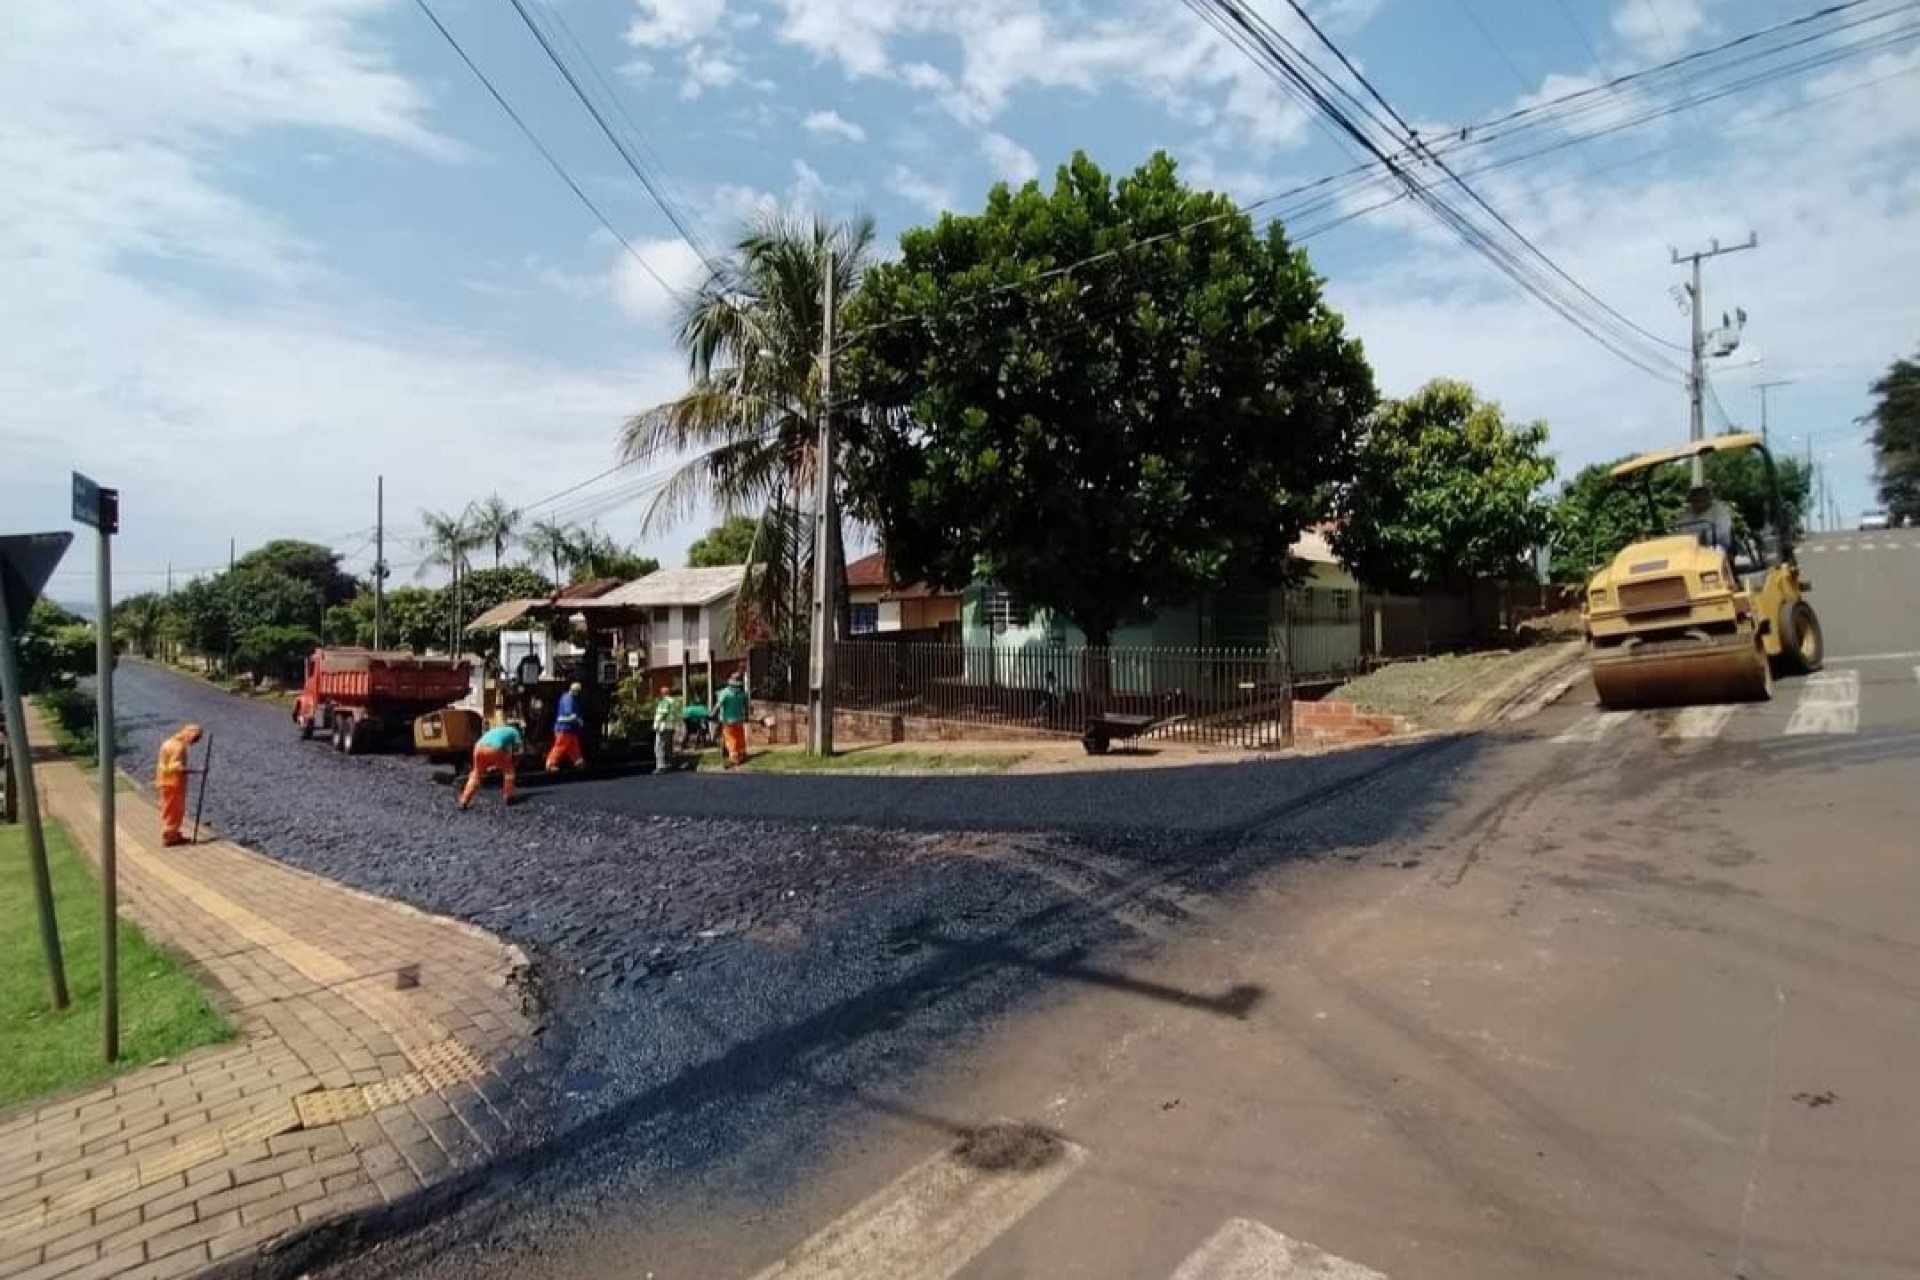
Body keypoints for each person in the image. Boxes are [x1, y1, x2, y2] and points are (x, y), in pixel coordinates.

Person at [156, 724, 203, 847]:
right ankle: (170, 836)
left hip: (164, 781)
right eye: (195, 738)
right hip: (173, 783)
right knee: (175, 810)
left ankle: (173, 833)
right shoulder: (179, 747)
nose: (194, 742)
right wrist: (198, 771)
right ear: (188, 734)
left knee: (168, 809)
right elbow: (175, 767)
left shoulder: (168, 742)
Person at [460, 722, 525, 810]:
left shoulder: (498, 729)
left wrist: (497, 763)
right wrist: (515, 764)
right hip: (493, 748)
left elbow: (503, 750)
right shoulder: (515, 731)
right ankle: (508, 797)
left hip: (478, 748)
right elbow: (519, 752)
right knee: (509, 772)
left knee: (476, 773)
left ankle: (464, 800)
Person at [544, 681, 586, 771]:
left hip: (570, 729)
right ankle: (550, 764)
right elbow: (570, 714)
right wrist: (579, 720)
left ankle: (579, 762)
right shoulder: (568, 699)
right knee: (560, 746)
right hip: (563, 728)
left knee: (573, 746)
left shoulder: (572, 699)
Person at [1679, 484, 1734, 552]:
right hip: (1691, 545)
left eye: (1699, 500)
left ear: (1707, 499)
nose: (1696, 503)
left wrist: (1705, 539)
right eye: (1693, 501)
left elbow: (1722, 531)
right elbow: (1681, 529)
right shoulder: (1688, 513)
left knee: (1715, 552)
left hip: (1717, 544)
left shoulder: (1719, 510)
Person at [714, 671, 750, 769]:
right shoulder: (742, 694)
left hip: (727, 721)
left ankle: (734, 758)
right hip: (739, 720)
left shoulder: (725, 693)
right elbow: (746, 706)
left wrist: (712, 714)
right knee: (740, 738)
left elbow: (718, 705)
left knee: (731, 739)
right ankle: (742, 754)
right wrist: (746, 716)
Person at [652, 683, 680, 774]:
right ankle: (669, 764)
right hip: (671, 726)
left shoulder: (665, 701)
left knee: (659, 746)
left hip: (663, 727)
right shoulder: (674, 702)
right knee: (668, 746)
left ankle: (661, 766)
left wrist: (657, 725)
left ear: (663, 693)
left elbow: (663, 713)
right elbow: (677, 714)